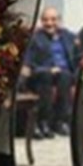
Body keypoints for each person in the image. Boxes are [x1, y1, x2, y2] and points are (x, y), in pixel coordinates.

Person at [22, 7, 77, 138]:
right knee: (47, 76)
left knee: (65, 76)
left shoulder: (67, 36)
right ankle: (43, 122)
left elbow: (79, 52)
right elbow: (29, 62)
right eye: (46, 20)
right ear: (41, 21)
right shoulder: (35, 39)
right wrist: (47, 69)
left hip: (65, 74)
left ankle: (61, 122)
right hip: (42, 74)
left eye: (53, 19)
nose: (49, 23)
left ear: (59, 20)